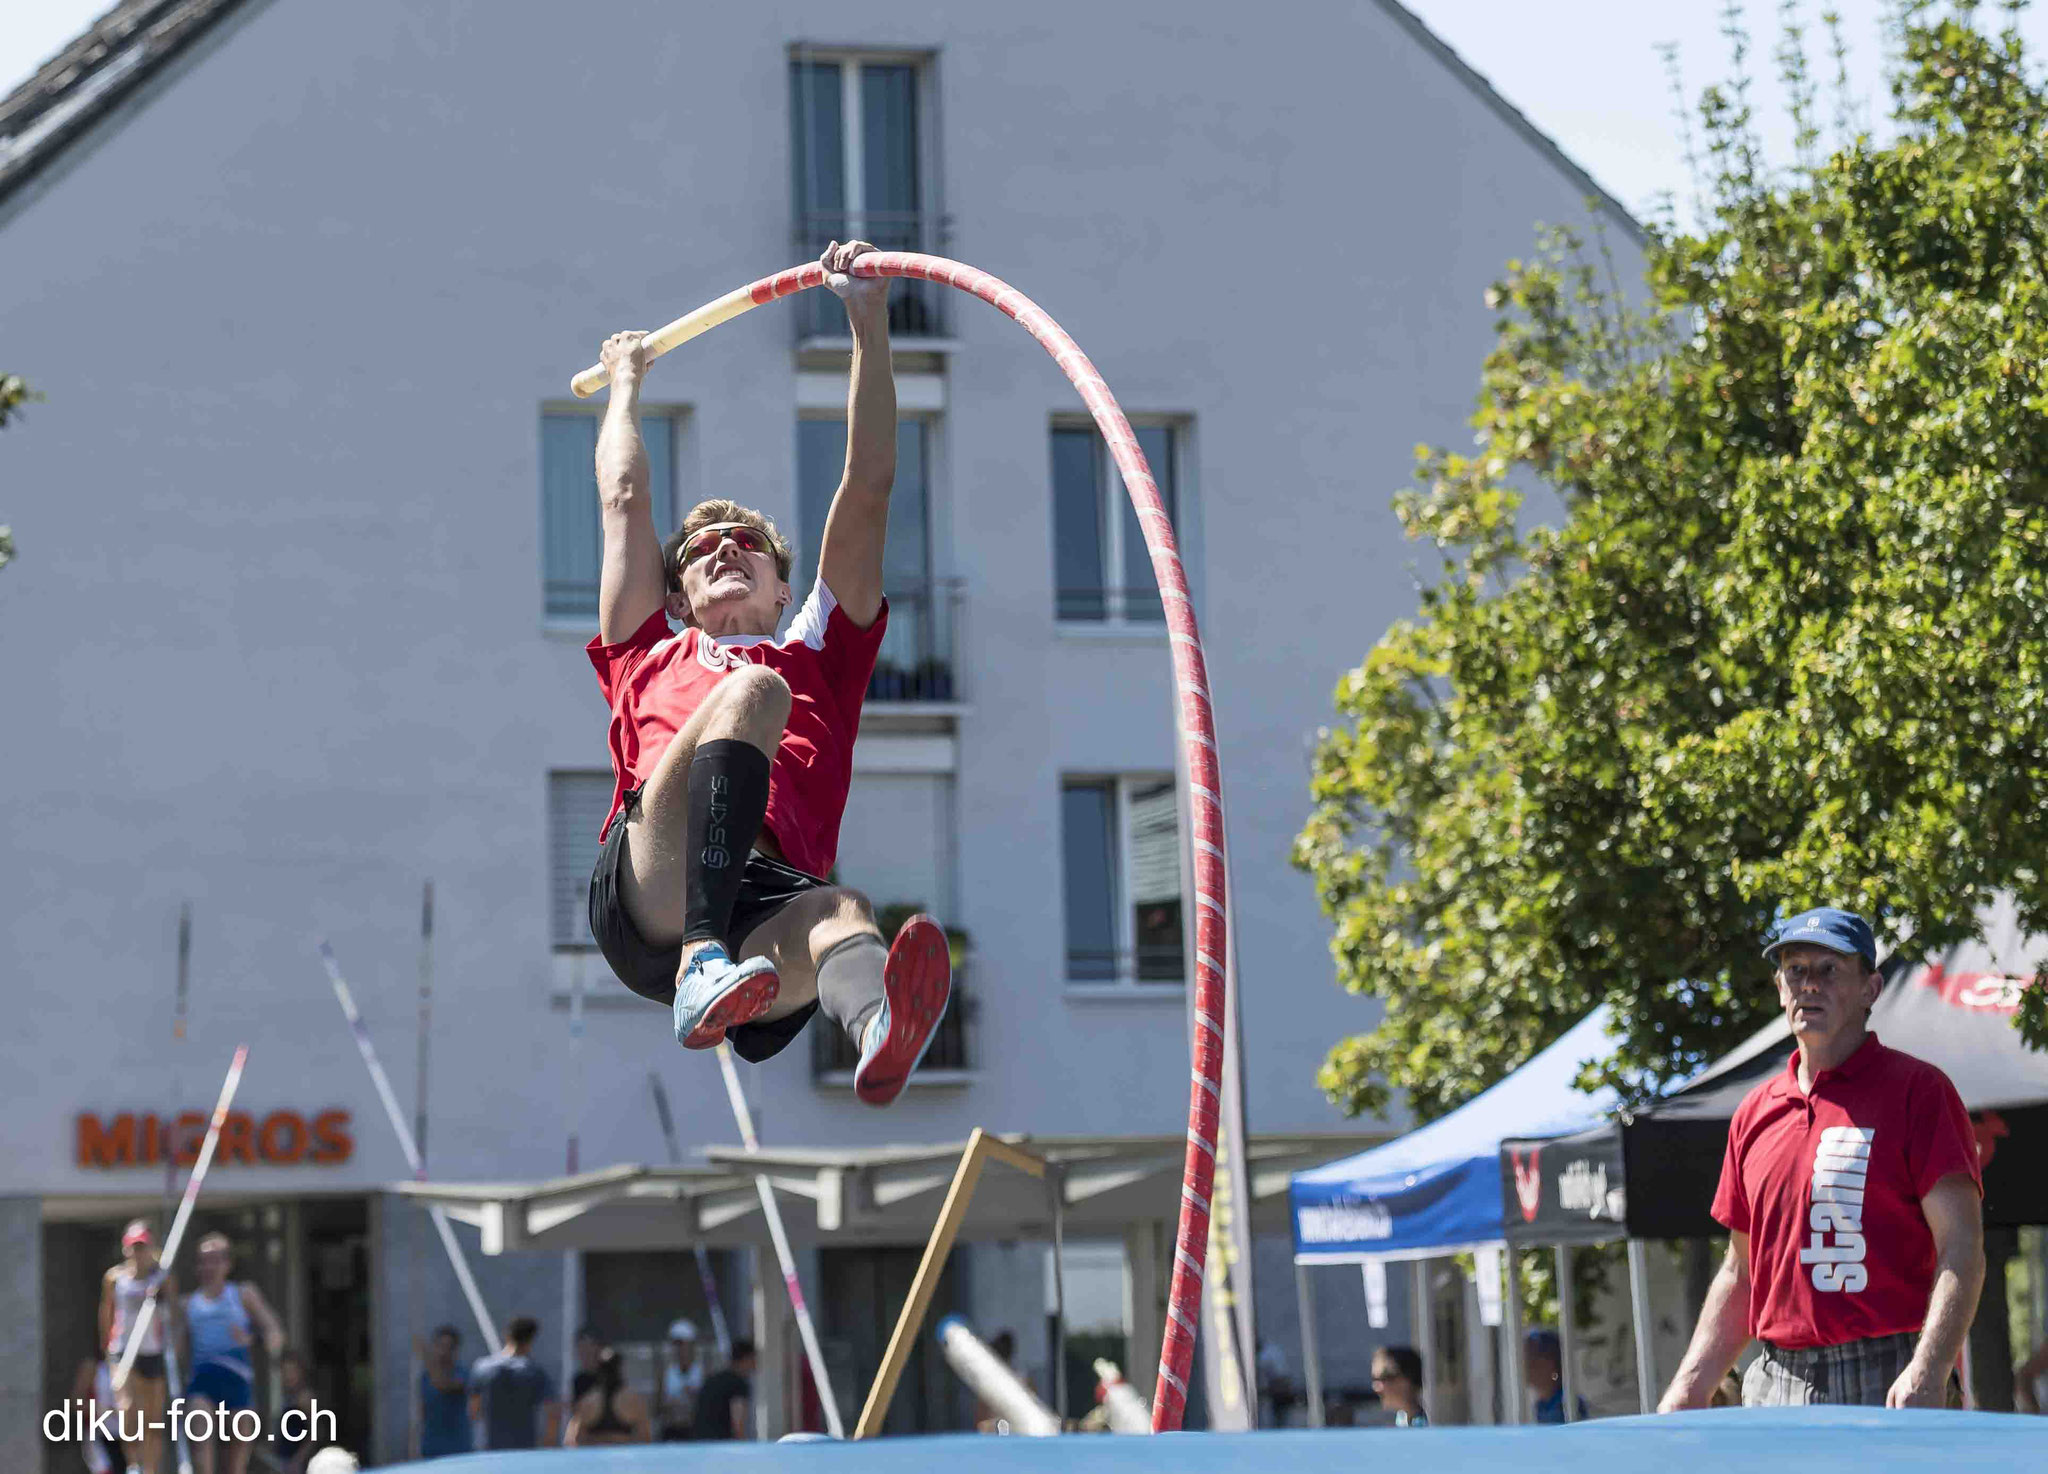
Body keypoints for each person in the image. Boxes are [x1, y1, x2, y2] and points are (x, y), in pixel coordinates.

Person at [583, 239, 951, 1107]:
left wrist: (867, 318)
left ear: (786, 586)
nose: (724, 553)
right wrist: (627, 383)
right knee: (749, 694)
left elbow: (868, 484)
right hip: (652, 889)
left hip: (764, 905)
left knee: (846, 913)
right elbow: (623, 501)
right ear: (677, 595)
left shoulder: (821, 651)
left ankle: (874, 1035)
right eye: (703, 551)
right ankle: (701, 959)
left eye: (747, 544)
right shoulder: (648, 647)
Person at [1659, 907, 1985, 1410]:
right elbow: (1740, 1272)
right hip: (1772, 1381)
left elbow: (1962, 1246)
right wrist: (1691, 1382)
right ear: (1779, 987)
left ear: (1870, 989)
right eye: (1796, 970)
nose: (1809, 985)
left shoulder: (1919, 1092)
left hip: (1891, 1374)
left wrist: (1931, 1367)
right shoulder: (1753, 1112)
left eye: (1829, 970)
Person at [181, 1232, 286, 1474]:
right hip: (203, 1380)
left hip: (237, 1380)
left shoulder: (243, 1294)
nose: (208, 1266)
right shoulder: (189, 1303)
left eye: (215, 1260)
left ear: (227, 1264)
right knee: (200, 1427)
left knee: (237, 1460)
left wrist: (253, 1338)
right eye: (203, 1260)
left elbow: (276, 1334)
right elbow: (177, 1347)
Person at [100, 1219, 179, 1474]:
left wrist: (162, 1289)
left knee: (152, 1421)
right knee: (127, 1410)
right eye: (134, 1247)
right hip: (123, 1350)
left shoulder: (161, 1278)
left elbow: (173, 1312)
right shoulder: (115, 1278)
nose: (138, 1252)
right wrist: (107, 1349)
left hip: (151, 1350)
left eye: (143, 1246)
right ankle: (134, 1465)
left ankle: (151, 1469)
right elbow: (107, 1314)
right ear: (126, 1249)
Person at [469, 1315, 561, 1450]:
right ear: (531, 1340)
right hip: (523, 1449)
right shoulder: (534, 1372)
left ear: (507, 1335)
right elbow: (553, 1411)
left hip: (489, 1448)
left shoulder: (482, 1367)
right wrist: (549, 1442)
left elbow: (474, 1410)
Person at [565, 1346, 651, 1446]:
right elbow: (646, 1438)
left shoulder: (588, 1402)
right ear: (620, 1369)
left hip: (597, 1456)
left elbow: (571, 1440)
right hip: (623, 1456)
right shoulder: (633, 1400)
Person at [415, 1325, 472, 1459]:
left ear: (456, 1350)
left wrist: (426, 1357)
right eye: (440, 1346)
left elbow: (443, 1385)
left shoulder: (462, 1374)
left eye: (449, 1347)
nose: (443, 1351)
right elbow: (422, 1410)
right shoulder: (425, 1377)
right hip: (431, 1447)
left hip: (457, 1449)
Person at [692, 1337, 757, 1442]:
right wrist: (744, 1447)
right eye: (753, 1359)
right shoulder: (738, 1384)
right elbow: (737, 1422)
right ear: (746, 1359)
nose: (755, 1365)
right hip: (720, 1445)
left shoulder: (712, 1380)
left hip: (699, 1442)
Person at [1524, 1328, 1588, 1422]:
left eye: (1533, 1358)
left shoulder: (1566, 1404)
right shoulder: (1541, 1404)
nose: (1526, 1365)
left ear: (1551, 1364)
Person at [657, 1318, 703, 1440]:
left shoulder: (702, 1371)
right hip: (671, 1432)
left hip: (695, 1431)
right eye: (675, 1344)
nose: (679, 1349)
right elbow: (658, 1406)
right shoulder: (666, 1373)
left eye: (682, 1344)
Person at [273, 1349, 315, 1474]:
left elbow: (315, 1434)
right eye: (284, 1372)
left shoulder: (305, 1397)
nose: (287, 1376)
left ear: (300, 1372)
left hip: (297, 1462)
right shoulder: (287, 1396)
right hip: (284, 1459)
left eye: (291, 1371)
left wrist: (297, 1460)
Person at [1371, 1345, 1429, 1427]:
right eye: (1374, 1379)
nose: (1376, 1387)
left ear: (1408, 1380)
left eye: (1386, 1377)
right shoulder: (1398, 1423)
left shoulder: (1430, 1426)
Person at [569, 1326, 603, 1404]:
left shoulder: (608, 1378)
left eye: (587, 1349)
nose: (583, 1355)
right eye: (581, 1350)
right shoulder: (579, 1380)